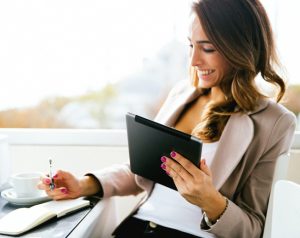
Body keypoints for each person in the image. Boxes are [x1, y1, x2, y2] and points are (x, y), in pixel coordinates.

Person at [38, 0, 296, 237]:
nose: (194, 60)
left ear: (241, 47)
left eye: (207, 48)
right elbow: (145, 169)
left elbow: (254, 228)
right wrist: (84, 184)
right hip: (139, 227)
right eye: (191, 45)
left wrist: (210, 200)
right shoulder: (182, 93)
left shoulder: (274, 122)